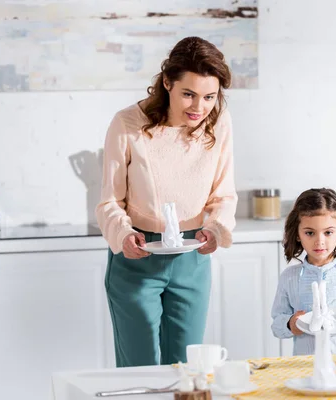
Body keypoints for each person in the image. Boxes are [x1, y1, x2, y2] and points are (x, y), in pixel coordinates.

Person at [95, 36, 237, 367]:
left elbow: (223, 192)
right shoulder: (127, 124)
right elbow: (109, 201)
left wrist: (215, 228)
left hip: (192, 258)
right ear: (167, 83)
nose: (198, 107)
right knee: (140, 370)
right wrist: (123, 235)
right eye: (188, 94)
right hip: (137, 257)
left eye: (209, 97)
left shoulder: (219, 121)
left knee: (188, 368)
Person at [270, 188, 336, 355]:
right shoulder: (289, 277)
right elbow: (277, 324)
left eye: (328, 232)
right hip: (306, 364)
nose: (319, 241)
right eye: (310, 233)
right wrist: (290, 323)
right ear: (298, 234)